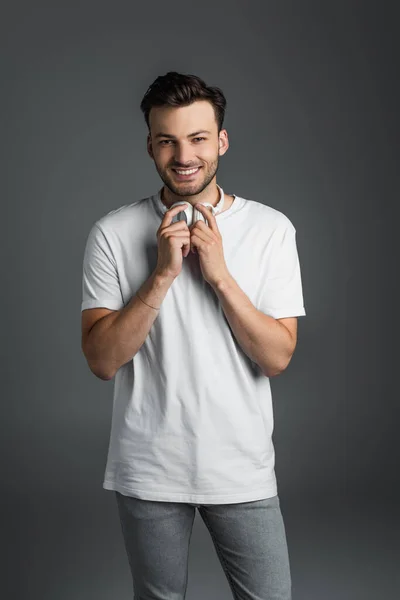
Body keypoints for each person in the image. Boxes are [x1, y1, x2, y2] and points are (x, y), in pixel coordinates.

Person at [81, 71, 306, 600]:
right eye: (168, 141)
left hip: (241, 464)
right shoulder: (112, 233)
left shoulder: (271, 228)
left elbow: (276, 357)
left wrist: (220, 275)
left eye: (199, 138)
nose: (184, 155)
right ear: (151, 146)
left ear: (221, 141)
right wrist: (161, 274)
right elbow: (101, 359)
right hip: (149, 467)